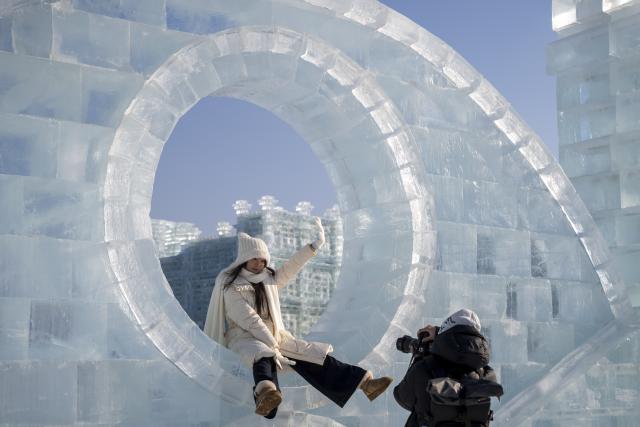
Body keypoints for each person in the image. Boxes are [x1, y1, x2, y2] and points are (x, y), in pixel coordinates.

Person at [204, 217, 392, 418]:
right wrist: (272, 345)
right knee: (262, 354)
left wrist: (312, 247)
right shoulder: (232, 287)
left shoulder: (268, 279)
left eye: (263, 259)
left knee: (312, 354)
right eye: (255, 259)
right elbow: (250, 320)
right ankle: (266, 395)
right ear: (244, 259)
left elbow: (290, 268)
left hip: (277, 336)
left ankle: (366, 383)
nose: (259, 263)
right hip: (245, 337)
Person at [393, 309, 499, 427]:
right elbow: (463, 346)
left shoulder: (425, 369)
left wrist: (419, 355)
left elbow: (401, 396)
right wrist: (439, 335)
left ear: (445, 332)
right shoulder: (486, 374)